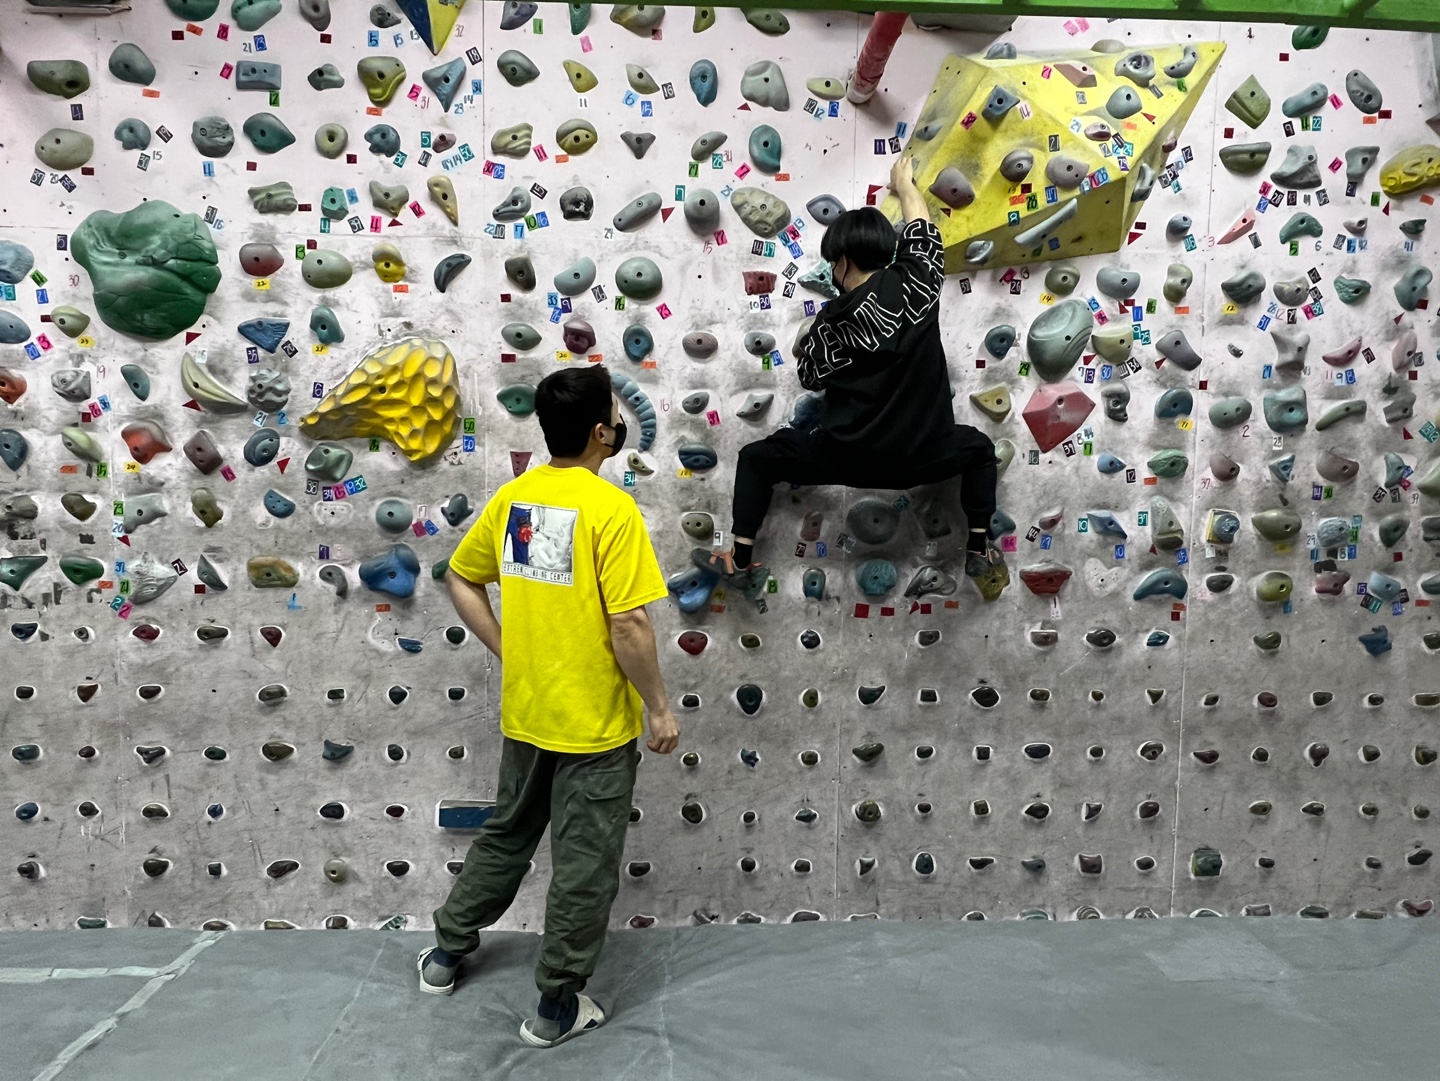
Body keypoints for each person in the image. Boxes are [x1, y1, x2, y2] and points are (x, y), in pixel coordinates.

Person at [419, 365, 681, 1048]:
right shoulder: (610, 509)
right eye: (615, 415)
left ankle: (445, 954)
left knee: (507, 833)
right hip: (593, 724)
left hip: (529, 711)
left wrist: (511, 650)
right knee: (583, 865)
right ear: (601, 432)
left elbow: (460, 576)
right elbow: (629, 624)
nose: (618, 423)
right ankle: (557, 1005)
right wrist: (658, 706)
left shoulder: (516, 499)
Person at [693, 155, 1006, 601]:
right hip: (924, 455)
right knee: (979, 450)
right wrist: (904, 184)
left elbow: (810, 378)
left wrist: (807, 345)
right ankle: (978, 548)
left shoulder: (829, 325)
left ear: (841, 260)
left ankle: (740, 560)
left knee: (757, 458)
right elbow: (922, 231)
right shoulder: (917, 283)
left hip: (846, 457)